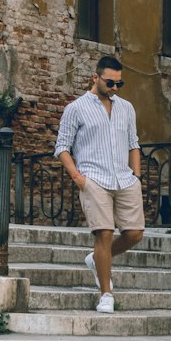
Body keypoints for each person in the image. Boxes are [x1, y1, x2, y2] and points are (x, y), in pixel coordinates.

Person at [53, 54, 144, 313]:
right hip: (94, 179)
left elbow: (133, 143)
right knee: (104, 233)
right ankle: (106, 294)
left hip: (124, 179)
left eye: (119, 84)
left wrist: (136, 176)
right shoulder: (76, 108)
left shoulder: (126, 108)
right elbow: (62, 147)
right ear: (95, 78)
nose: (114, 88)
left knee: (135, 234)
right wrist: (78, 178)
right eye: (109, 83)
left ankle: (96, 260)